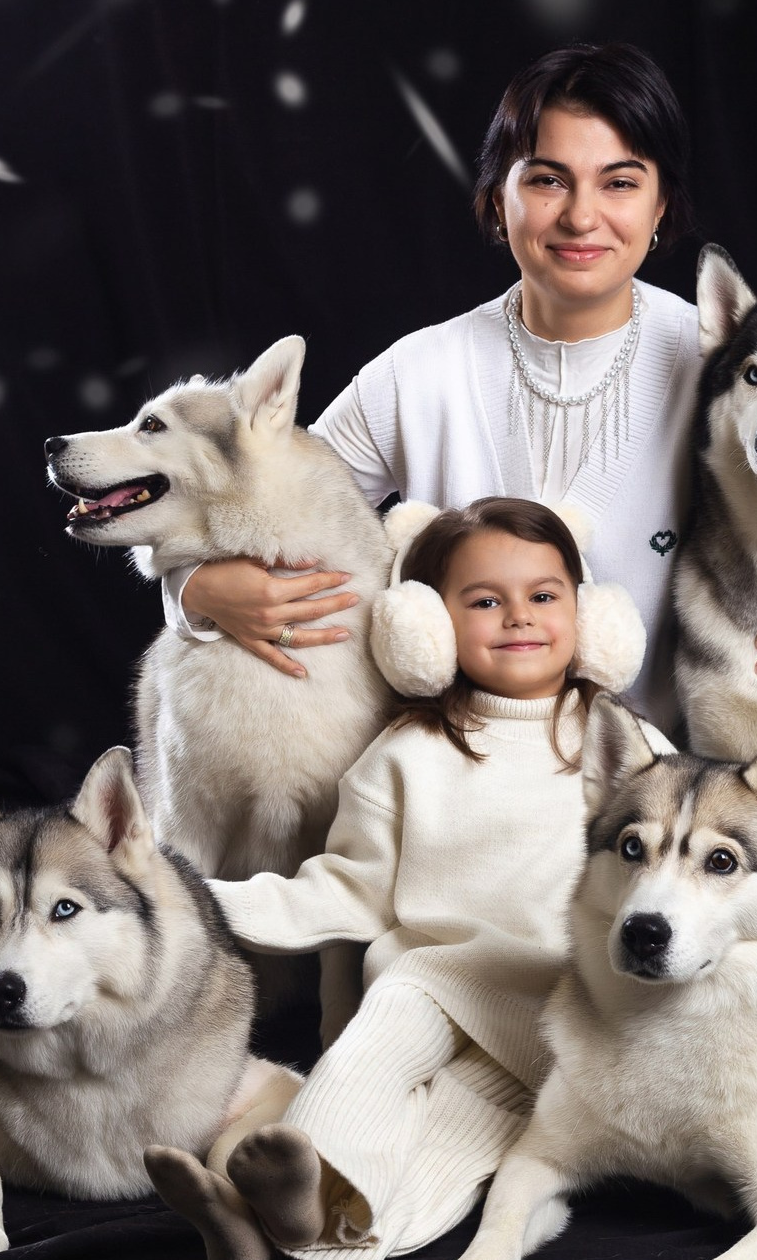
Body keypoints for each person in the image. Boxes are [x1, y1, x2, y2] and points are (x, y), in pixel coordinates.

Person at [159, 42, 757, 736]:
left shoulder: (726, 365)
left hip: (659, 793)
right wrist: (191, 589)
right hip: (458, 783)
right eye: (547, 180)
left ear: (662, 209)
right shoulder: (418, 372)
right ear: (496, 201)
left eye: (620, 182)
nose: (583, 217)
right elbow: (251, 495)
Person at [146, 497, 674, 1260]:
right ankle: (307, 1209)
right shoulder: (406, 753)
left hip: (557, 1010)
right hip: (429, 993)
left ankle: (301, 1223)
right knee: (394, 1090)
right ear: (427, 628)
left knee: (434, 1076)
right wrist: (195, 899)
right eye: (486, 601)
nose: (519, 617)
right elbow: (343, 888)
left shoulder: (629, 749)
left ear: (589, 614)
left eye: (545, 596)